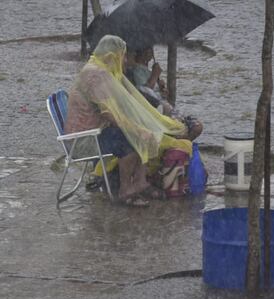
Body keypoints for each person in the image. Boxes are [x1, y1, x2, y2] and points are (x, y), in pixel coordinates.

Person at [65, 35, 189, 206]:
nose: (124, 60)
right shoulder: (95, 75)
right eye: (122, 55)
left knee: (140, 131)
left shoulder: (101, 70)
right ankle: (126, 189)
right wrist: (134, 129)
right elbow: (109, 113)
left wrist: (139, 123)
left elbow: (119, 105)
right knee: (128, 138)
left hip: (98, 131)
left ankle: (140, 182)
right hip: (84, 140)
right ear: (111, 55)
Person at [128, 47, 203, 141]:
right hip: (157, 110)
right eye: (149, 50)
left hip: (164, 107)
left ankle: (181, 144)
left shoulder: (146, 71)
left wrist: (162, 91)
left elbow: (155, 94)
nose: (151, 52)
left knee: (196, 126)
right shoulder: (137, 71)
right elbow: (144, 92)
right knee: (194, 127)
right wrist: (155, 75)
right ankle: (179, 145)